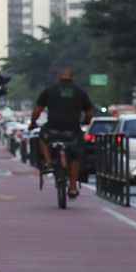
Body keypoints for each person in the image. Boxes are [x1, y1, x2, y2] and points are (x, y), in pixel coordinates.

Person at [29, 67, 94, 198]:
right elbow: (89, 112)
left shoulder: (50, 90)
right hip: (72, 130)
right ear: (72, 77)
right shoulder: (80, 92)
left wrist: (32, 122)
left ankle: (47, 161)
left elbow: (37, 110)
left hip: (53, 128)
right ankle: (73, 186)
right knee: (76, 155)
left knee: (42, 137)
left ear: (59, 77)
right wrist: (86, 121)